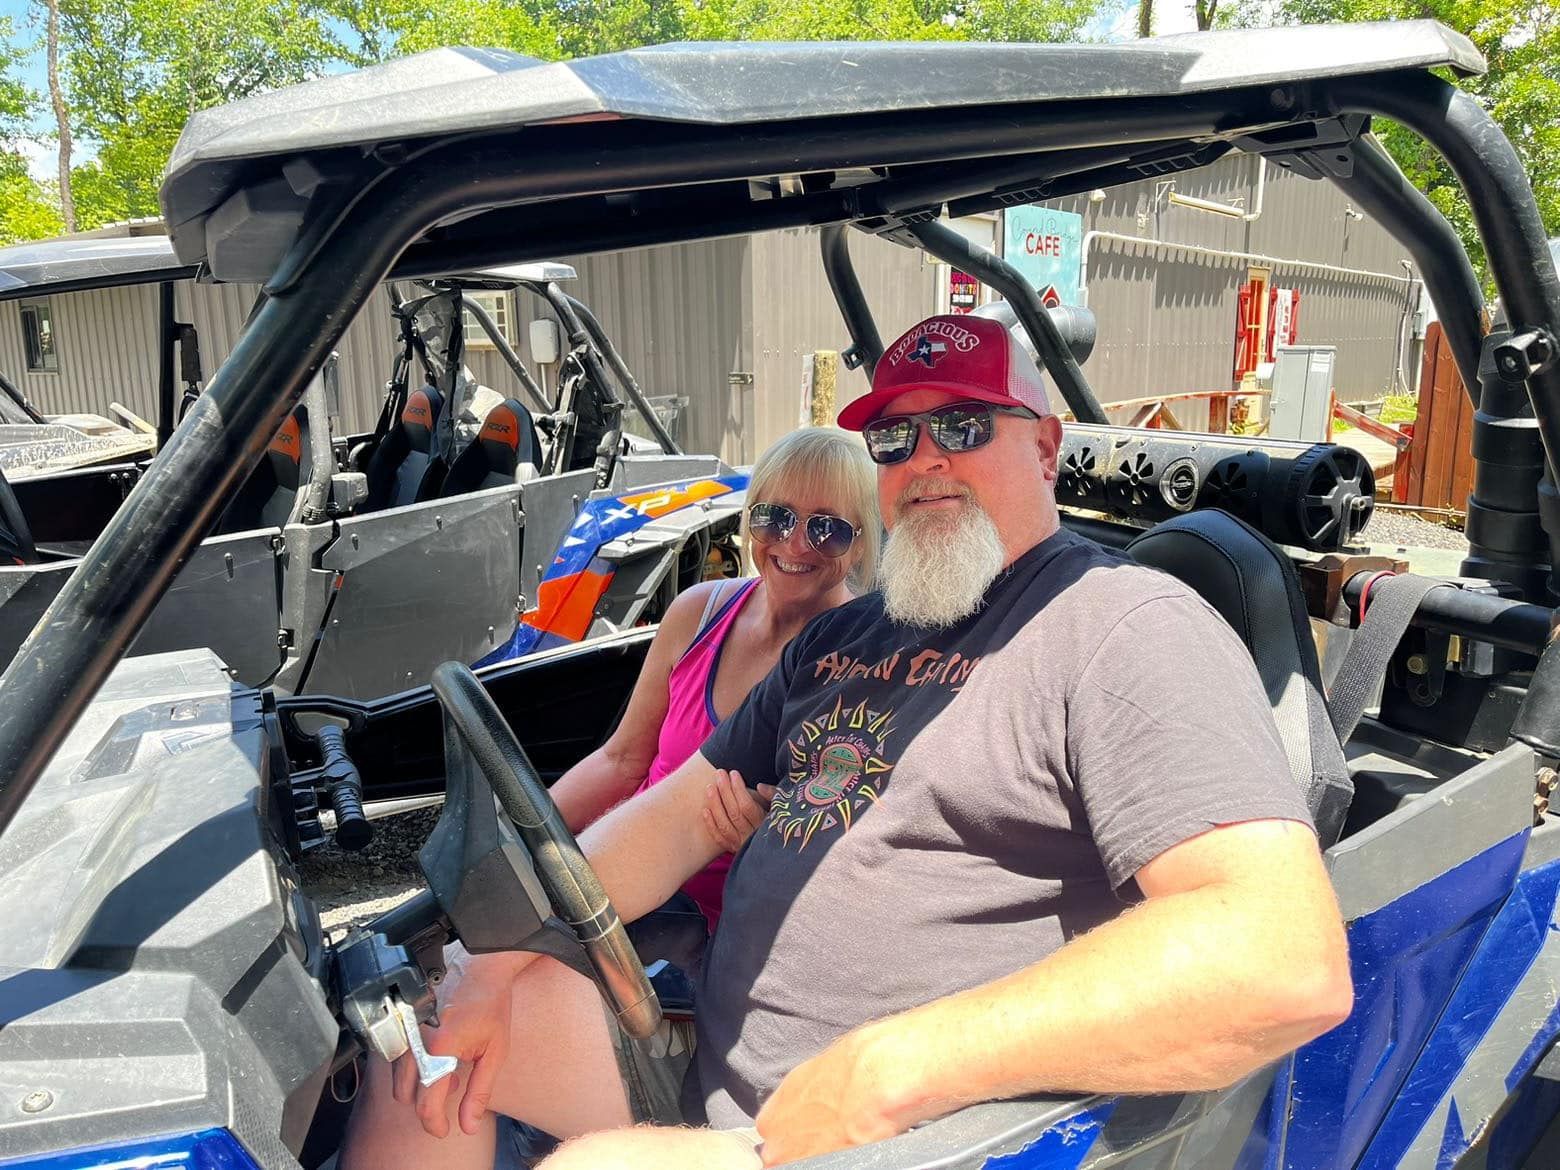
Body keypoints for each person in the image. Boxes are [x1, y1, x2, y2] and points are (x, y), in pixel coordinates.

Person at [342, 314, 1351, 1170]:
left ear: (1044, 448)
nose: (924, 461)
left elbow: (1278, 959)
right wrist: (488, 967)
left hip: (901, 1134)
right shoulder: (845, 636)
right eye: (895, 440)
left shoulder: (1123, 627)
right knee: (426, 1048)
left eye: (961, 425)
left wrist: (895, 1072)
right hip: (717, 1070)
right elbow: (681, 810)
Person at [545, 425, 879, 932]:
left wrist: (771, 842)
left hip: (734, 930)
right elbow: (622, 759)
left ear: (858, 546)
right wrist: (526, 837)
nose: (794, 544)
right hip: (629, 890)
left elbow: (856, 852)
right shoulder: (700, 612)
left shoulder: (865, 663)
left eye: (827, 529)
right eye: (776, 519)